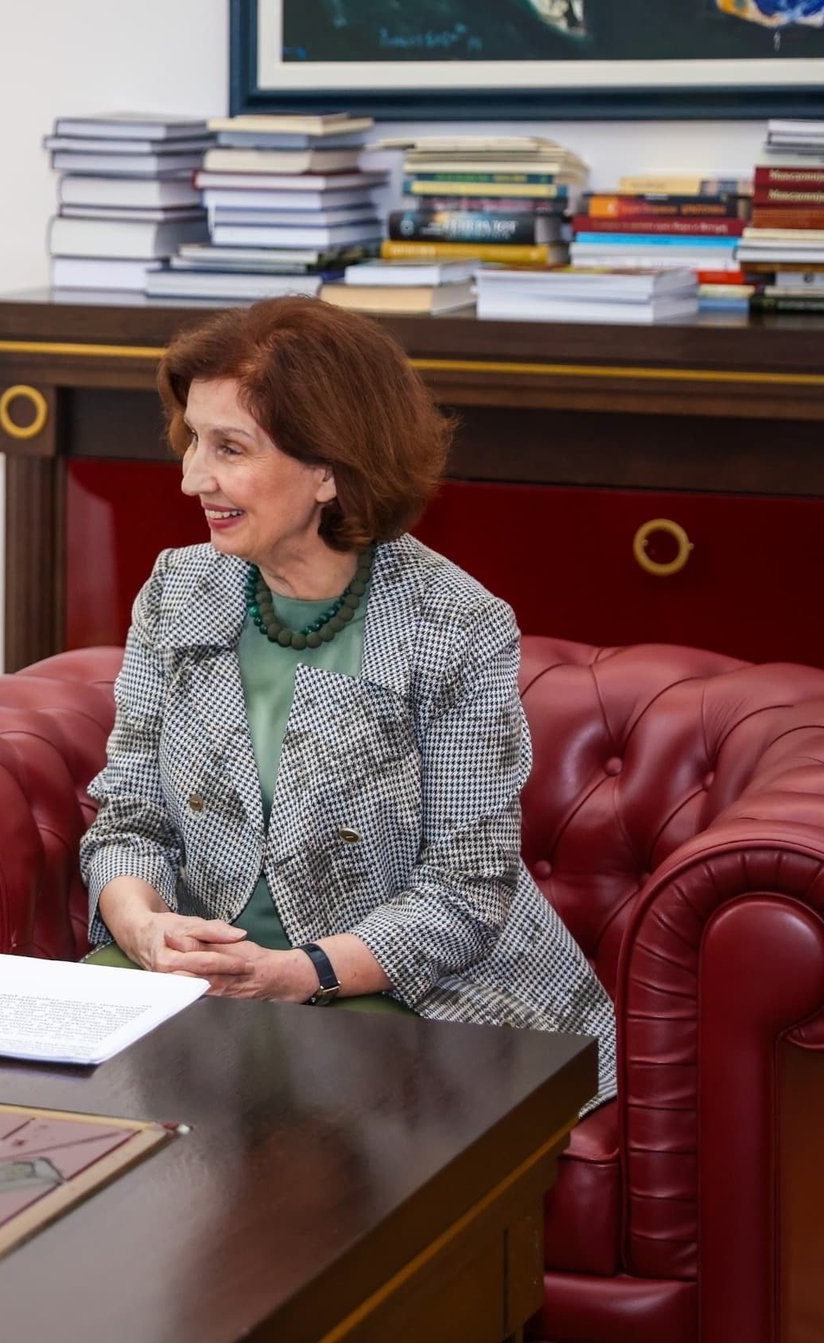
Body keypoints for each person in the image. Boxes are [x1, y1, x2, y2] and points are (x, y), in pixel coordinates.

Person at [79, 295, 615, 1110]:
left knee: (318, 1138)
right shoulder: (177, 590)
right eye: (193, 440)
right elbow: (129, 818)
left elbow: (466, 890)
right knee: (62, 1117)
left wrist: (299, 972)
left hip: (400, 987)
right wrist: (146, 927)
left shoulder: (454, 626)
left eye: (230, 448)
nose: (192, 478)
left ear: (328, 469)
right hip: (196, 974)